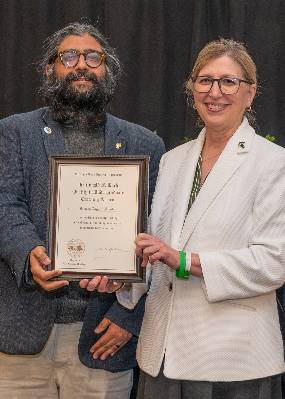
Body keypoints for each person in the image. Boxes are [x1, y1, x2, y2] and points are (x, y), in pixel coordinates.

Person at [95, 38, 285, 398]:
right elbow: (156, 249)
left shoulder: (274, 162)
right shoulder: (173, 160)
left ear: (250, 93)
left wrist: (185, 261)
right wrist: (120, 278)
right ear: (192, 88)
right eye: (205, 80)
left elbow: (274, 263)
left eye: (229, 81)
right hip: (161, 356)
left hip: (232, 361)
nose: (215, 92)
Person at [0, 22, 165, 399]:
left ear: (107, 70)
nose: (82, 65)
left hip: (103, 335)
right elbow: (4, 203)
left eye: (94, 57)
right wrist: (28, 254)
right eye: (69, 56)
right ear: (49, 69)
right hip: (22, 334)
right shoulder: (13, 132)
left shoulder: (145, 144)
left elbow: (161, 235)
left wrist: (129, 317)